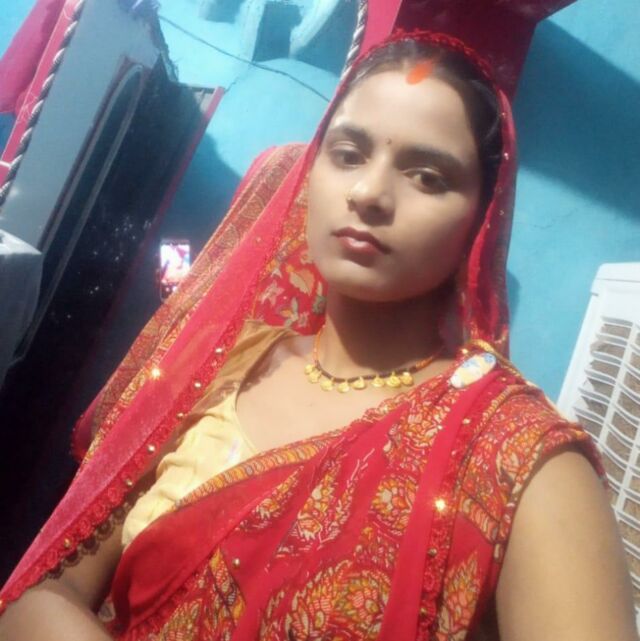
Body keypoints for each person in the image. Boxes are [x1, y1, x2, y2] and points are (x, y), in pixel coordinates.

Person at [0, 28, 637, 641]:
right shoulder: (224, 366)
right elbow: (46, 587)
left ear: (481, 219)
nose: (369, 193)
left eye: (427, 176)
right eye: (348, 154)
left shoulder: (518, 461)